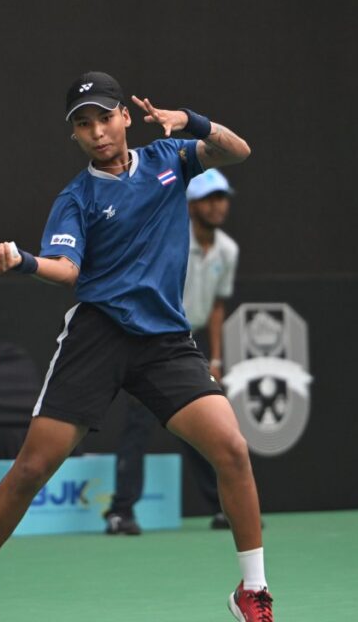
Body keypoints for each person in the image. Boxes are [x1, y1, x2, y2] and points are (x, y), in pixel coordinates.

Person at [0, 71, 273, 622]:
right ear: (74, 135)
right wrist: (22, 260)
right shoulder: (77, 197)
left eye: (103, 118)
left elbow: (237, 151)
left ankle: (253, 591)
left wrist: (189, 120)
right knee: (31, 469)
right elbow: (66, 268)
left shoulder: (171, 157)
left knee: (232, 449)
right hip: (98, 337)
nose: (96, 132)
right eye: (83, 125)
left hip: (164, 339)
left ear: (125, 117)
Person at [104, 168, 241, 535]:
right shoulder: (169, 238)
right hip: (152, 338)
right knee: (138, 427)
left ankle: (221, 508)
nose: (217, 206)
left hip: (189, 342)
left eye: (221, 198)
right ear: (191, 204)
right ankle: (120, 512)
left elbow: (217, 306)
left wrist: (216, 358)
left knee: (202, 425)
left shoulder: (228, 250)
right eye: (208, 199)